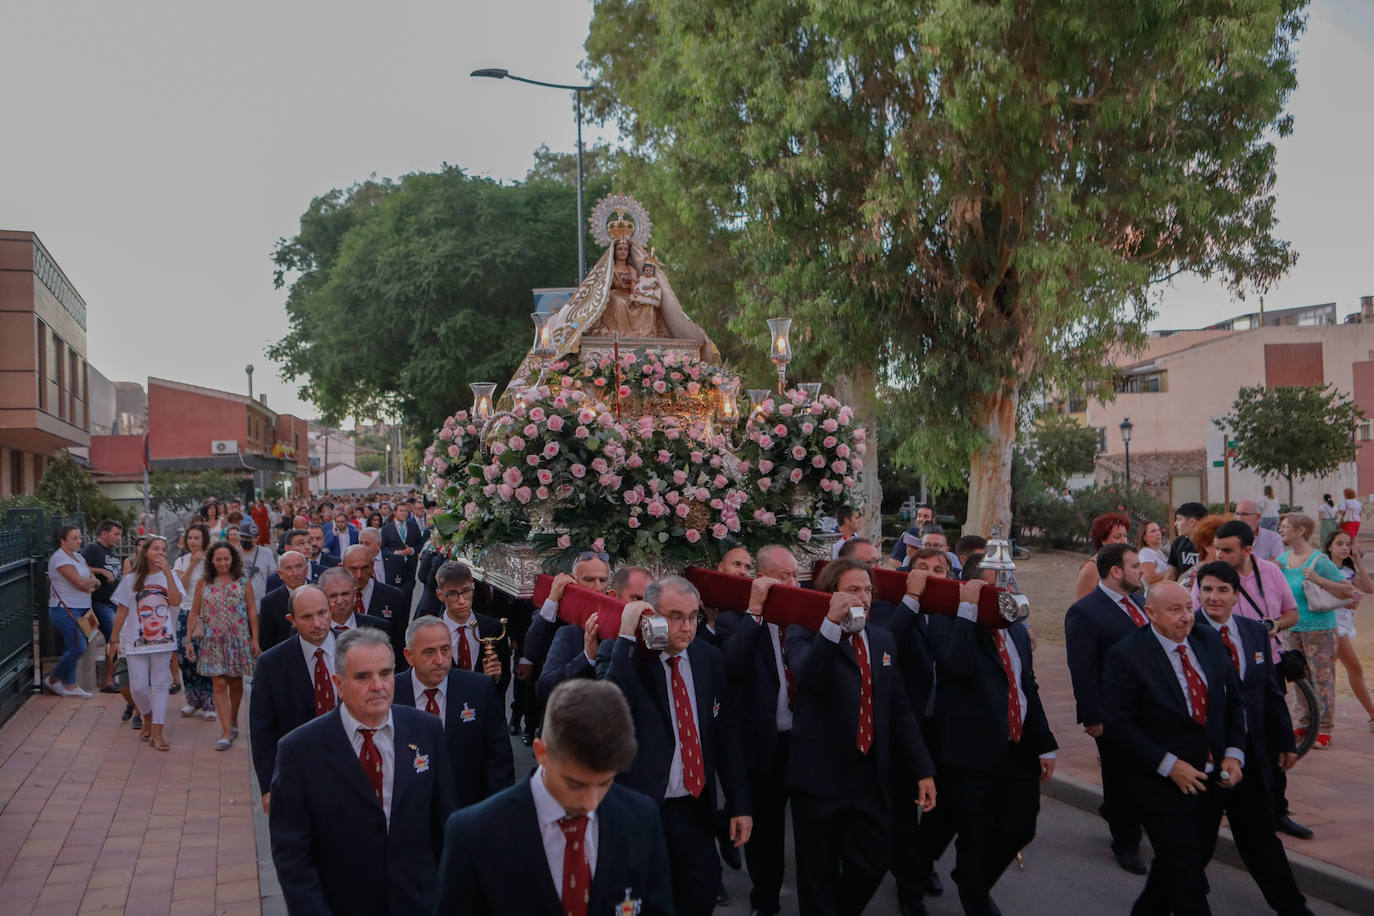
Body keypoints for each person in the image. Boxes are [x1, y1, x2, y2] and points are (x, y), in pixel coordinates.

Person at [433, 679, 673, 915]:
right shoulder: (475, 834)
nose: (590, 803)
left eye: (604, 783)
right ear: (540, 752)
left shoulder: (640, 818)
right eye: (575, 783)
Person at [269, 627, 456, 915]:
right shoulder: (299, 751)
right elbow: (292, 855)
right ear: (338, 683)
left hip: (417, 902)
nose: (378, 685)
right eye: (363, 677)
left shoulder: (426, 730)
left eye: (385, 673)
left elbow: (444, 824)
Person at [787, 558, 935, 916]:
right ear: (831, 594)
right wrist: (831, 626)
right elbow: (807, 675)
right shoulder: (804, 630)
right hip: (819, 776)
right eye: (854, 589)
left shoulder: (882, 638)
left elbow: (898, 707)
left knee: (873, 860)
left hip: (870, 773)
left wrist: (922, 769)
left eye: (868, 589)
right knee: (816, 873)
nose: (865, 597)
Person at [603, 577, 751, 916]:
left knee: (700, 891)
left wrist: (740, 804)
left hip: (694, 807)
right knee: (640, 902)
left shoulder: (708, 659)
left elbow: (725, 735)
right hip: (642, 807)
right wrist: (628, 633)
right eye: (674, 616)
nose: (686, 627)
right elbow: (610, 708)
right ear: (652, 616)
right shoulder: (627, 656)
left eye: (693, 617)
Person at [1101, 581, 1246, 916]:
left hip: (1211, 780)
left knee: (1182, 865)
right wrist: (1169, 765)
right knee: (1187, 879)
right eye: (1174, 610)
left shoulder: (1208, 640)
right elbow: (1118, 726)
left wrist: (1234, 754)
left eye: (1187, 608)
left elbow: (1234, 703)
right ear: (1150, 613)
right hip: (1160, 783)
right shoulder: (1127, 655)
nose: (1186, 617)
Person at [924, 570, 1056, 916]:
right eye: (992, 586)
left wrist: (1045, 744)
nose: (1003, 593)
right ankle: (974, 894)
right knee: (975, 832)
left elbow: (1028, 688)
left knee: (1021, 826)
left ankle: (970, 877)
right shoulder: (947, 621)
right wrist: (967, 612)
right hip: (971, 751)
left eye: (1008, 585)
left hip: (1018, 747)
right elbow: (956, 666)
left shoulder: (1017, 630)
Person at [1192, 562, 1313, 916]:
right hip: (1207, 759)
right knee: (1195, 845)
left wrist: (1285, 741)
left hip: (1253, 758)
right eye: (1207, 589)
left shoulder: (1254, 632)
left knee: (1261, 840)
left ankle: (1294, 908)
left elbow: (1269, 692)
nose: (1214, 597)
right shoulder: (1187, 633)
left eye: (1223, 590)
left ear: (1236, 594)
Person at [1209, 520, 1308, 840]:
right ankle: (1223, 806)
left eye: (1227, 550)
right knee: (1228, 739)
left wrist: (1275, 625)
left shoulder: (1272, 573)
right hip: (1224, 672)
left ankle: (1278, 811)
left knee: (1270, 741)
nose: (1219, 554)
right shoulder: (1210, 579)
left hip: (1267, 667)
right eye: (1217, 548)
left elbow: (1292, 614)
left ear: (1248, 550)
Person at [714, 546, 799, 916]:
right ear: (762, 579)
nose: (794, 583)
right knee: (767, 829)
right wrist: (756, 611)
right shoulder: (735, 619)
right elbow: (732, 664)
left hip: (799, 740)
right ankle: (765, 901)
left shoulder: (802, 616)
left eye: (797, 575)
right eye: (785, 577)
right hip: (760, 741)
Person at [1064, 542, 1149, 874]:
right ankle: (1126, 844)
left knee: (1138, 775)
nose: (1142, 571)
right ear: (1116, 572)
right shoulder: (1085, 611)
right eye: (1135, 566)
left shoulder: (1141, 602)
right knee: (1122, 778)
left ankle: (1117, 811)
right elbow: (1082, 669)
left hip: (1150, 708)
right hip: (1114, 713)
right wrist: (1092, 716)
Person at [394, 616, 515, 809]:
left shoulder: (479, 689)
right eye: (429, 652)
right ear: (409, 656)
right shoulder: (391, 694)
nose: (440, 660)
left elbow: (499, 761)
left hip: (466, 812)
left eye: (445, 650)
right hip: (409, 816)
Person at [249, 584, 337, 813]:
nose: (317, 623)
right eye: (307, 617)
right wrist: (268, 787)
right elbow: (262, 731)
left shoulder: (356, 650)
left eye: (322, 613)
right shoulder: (271, 665)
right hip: (298, 775)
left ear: (331, 610)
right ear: (292, 619)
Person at [1276, 513, 1353, 749]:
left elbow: (1347, 590)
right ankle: (1305, 722)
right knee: (1299, 677)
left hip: (1320, 629)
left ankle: (1324, 728)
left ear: (1300, 531)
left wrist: (1319, 579)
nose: (1281, 530)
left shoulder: (1319, 560)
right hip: (1292, 628)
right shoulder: (1283, 558)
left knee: (1322, 679)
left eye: (1286, 526)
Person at [536, 565, 651, 707]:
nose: (643, 607)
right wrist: (587, 658)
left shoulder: (654, 642)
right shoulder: (573, 634)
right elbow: (544, 689)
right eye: (636, 599)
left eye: (650, 601)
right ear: (614, 597)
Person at [108, 536, 182, 750]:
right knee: (138, 687)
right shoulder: (132, 579)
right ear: (145, 552)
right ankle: (147, 715)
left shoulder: (170, 576)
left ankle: (158, 733)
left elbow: (176, 601)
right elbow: (122, 610)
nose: (160, 552)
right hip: (136, 640)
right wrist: (113, 639)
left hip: (164, 640)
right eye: (155, 548)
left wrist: (167, 572)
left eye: (163, 549)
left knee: (160, 685)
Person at [186, 542, 261, 751]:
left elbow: (252, 610)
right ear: (211, 561)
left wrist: (255, 639)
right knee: (218, 684)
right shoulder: (204, 582)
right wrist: (189, 639)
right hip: (212, 641)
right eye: (218, 559)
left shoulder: (243, 581)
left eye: (226, 558)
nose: (222, 562)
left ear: (233, 559)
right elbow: (194, 611)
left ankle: (234, 718)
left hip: (238, 639)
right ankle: (226, 731)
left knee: (236, 684)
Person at [1322, 529, 1374, 732]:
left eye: (1347, 544)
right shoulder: (1323, 569)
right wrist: (1344, 600)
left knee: (1328, 673)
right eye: (1340, 544)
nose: (1345, 548)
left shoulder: (1348, 571)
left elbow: (1369, 589)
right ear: (1329, 547)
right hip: (1332, 625)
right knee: (1353, 669)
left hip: (1344, 625)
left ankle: (1323, 720)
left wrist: (1358, 561)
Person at [46, 525, 100, 697]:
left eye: (80, 537)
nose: (79, 540)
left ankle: (70, 685)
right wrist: (90, 584)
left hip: (83, 608)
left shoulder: (78, 557)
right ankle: (53, 679)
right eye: (74, 538)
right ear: (63, 541)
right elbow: (81, 583)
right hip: (66, 610)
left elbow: (92, 580)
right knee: (78, 647)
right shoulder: (60, 559)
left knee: (72, 646)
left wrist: (91, 583)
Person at [434, 561, 507, 687]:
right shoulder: (431, 633)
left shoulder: (493, 629)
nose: (461, 600)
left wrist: (494, 678)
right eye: (452, 594)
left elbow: (504, 678)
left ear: (473, 588)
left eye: (466, 591)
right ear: (440, 595)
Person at [171, 523, 216, 719]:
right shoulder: (181, 561)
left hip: (208, 615)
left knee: (205, 658)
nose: (193, 542)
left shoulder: (212, 561)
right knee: (184, 658)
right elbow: (180, 587)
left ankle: (210, 702)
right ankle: (192, 699)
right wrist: (191, 565)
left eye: (197, 538)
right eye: (190, 538)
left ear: (204, 539)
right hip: (185, 611)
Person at [342, 543, 406, 660]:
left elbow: (399, 644)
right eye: (353, 569)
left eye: (364, 568)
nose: (359, 575)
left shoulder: (394, 597)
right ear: (342, 568)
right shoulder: (333, 598)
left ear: (372, 566)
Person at [81, 519, 124, 693]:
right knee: (113, 638)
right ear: (104, 534)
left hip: (114, 603)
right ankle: (108, 680)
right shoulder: (93, 549)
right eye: (116, 534)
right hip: (100, 603)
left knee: (115, 639)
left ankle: (111, 677)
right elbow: (80, 565)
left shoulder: (111, 552)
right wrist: (100, 571)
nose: (119, 538)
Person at [258, 551, 312, 652]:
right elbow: (265, 643)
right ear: (280, 574)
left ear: (306, 570)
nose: (295, 573)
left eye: (299, 567)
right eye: (289, 568)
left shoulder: (322, 592)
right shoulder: (269, 602)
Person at [1073, 512, 1130, 600]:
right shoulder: (1092, 568)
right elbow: (1081, 606)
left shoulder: (1122, 563)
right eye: (1117, 537)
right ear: (1103, 540)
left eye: (1125, 536)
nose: (1123, 541)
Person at [1167, 501, 1208, 582]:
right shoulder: (1178, 543)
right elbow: (1172, 576)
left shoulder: (1211, 544)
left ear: (1192, 522)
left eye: (1179, 519)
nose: (1175, 524)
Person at [1137, 520, 1169, 594]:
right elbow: (1149, 578)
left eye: (1158, 530)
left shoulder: (1160, 553)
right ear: (1144, 536)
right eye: (1153, 531)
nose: (1158, 533)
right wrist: (1171, 573)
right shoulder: (1146, 552)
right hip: (1155, 595)